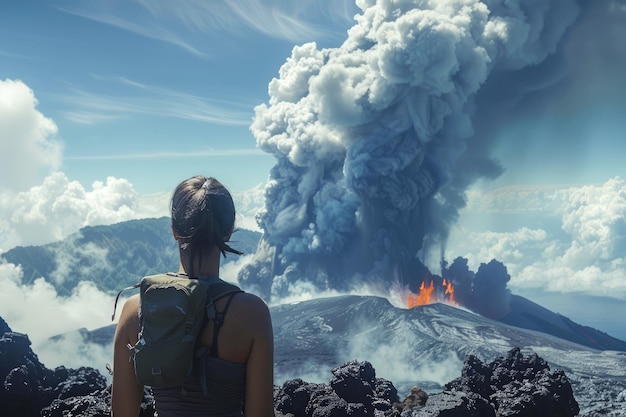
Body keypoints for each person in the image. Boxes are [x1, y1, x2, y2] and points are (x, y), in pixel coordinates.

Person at [111, 176, 275, 417]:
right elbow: (260, 414)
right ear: (228, 231)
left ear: (174, 230)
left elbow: (122, 414)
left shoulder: (136, 309)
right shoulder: (252, 313)